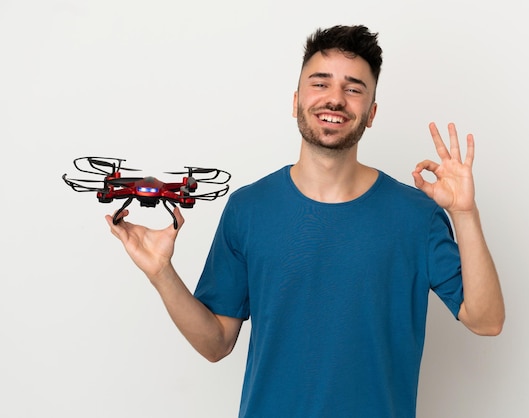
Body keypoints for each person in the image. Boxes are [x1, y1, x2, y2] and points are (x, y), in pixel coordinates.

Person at [106, 24, 505, 418]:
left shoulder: (416, 215)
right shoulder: (249, 209)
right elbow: (215, 344)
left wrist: (464, 214)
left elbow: (486, 320)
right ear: (296, 100)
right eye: (320, 83)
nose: (335, 99)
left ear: (371, 113)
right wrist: (161, 273)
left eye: (353, 88)